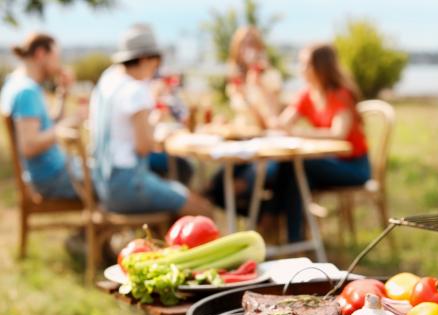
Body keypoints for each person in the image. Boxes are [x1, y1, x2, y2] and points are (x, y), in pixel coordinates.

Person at [89, 24, 212, 216]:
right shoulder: (135, 90)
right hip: (127, 185)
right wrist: (155, 118)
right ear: (146, 58)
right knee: (202, 208)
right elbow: (144, 146)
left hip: (102, 182)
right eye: (157, 61)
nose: (157, 67)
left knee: (174, 184)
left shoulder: (107, 81)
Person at [274, 43, 371, 242]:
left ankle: (290, 237)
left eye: (305, 64)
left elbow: (338, 134)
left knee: (296, 168)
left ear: (321, 66)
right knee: (292, 174)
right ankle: (293, 238)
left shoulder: (340, 94)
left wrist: (301, 133)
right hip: (327, 164)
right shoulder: (306, 94)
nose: (301, 69)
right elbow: (282, 123)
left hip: (353, 167)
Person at [206, 26, 282, 214]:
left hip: (264, 146)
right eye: (243, 45)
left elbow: (269, 122)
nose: (247, 49)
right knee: (211, 186)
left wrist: (252, 92)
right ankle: (260, 220)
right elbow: (242, 118)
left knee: (239, 185)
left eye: (251, 43)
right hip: (241, 144)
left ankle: (264, 219)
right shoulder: (236, 79)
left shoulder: (268, 77)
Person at [0, 32, 79, 199]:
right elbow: (29, 146)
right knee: (112, 183)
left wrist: (62, 95)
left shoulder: (16, 82)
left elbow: (44, 125)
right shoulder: (26, 92)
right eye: (56, 57)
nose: (59, 64)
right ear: (41, 54)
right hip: (51, 178)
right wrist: (71, 123)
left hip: (51, 173)